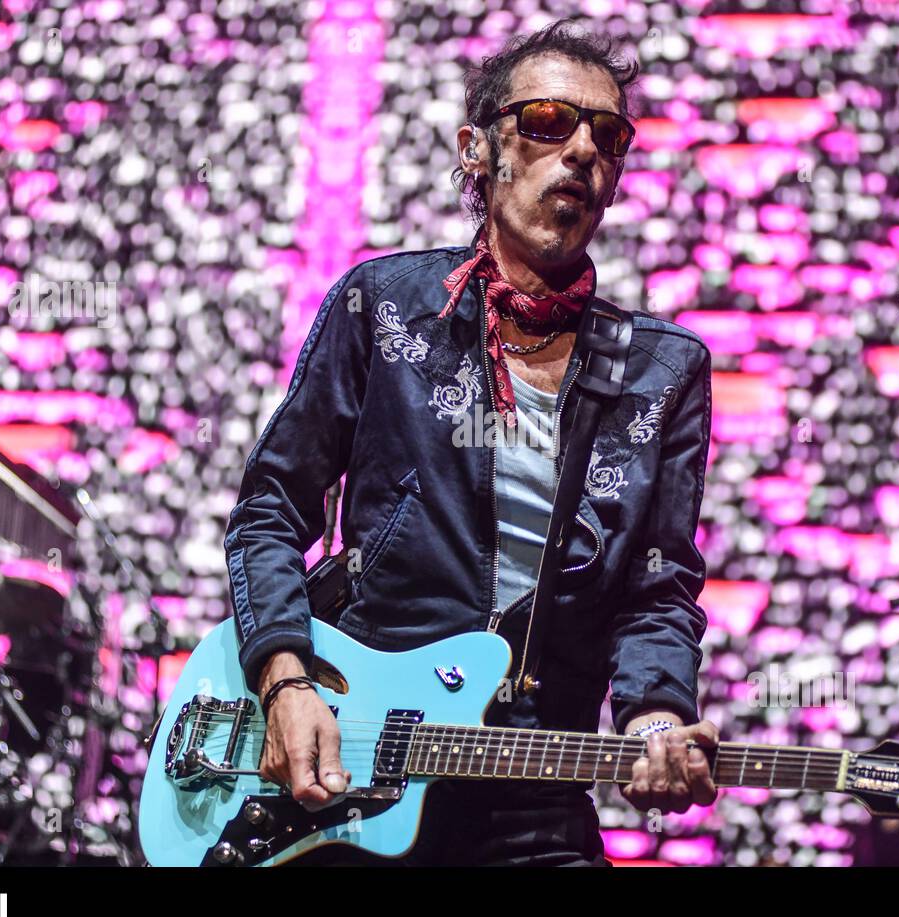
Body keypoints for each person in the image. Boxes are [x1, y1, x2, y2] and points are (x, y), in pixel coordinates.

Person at [225, 20, 717, 865]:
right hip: (350, 767)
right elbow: (270, 510)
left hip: (535, 782)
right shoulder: (382, 308)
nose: (582, 152)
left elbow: (656, 585)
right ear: (477, 150)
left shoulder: (662, 370)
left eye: (609, 135)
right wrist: (286, 681)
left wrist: (657, 716)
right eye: (547, 122)